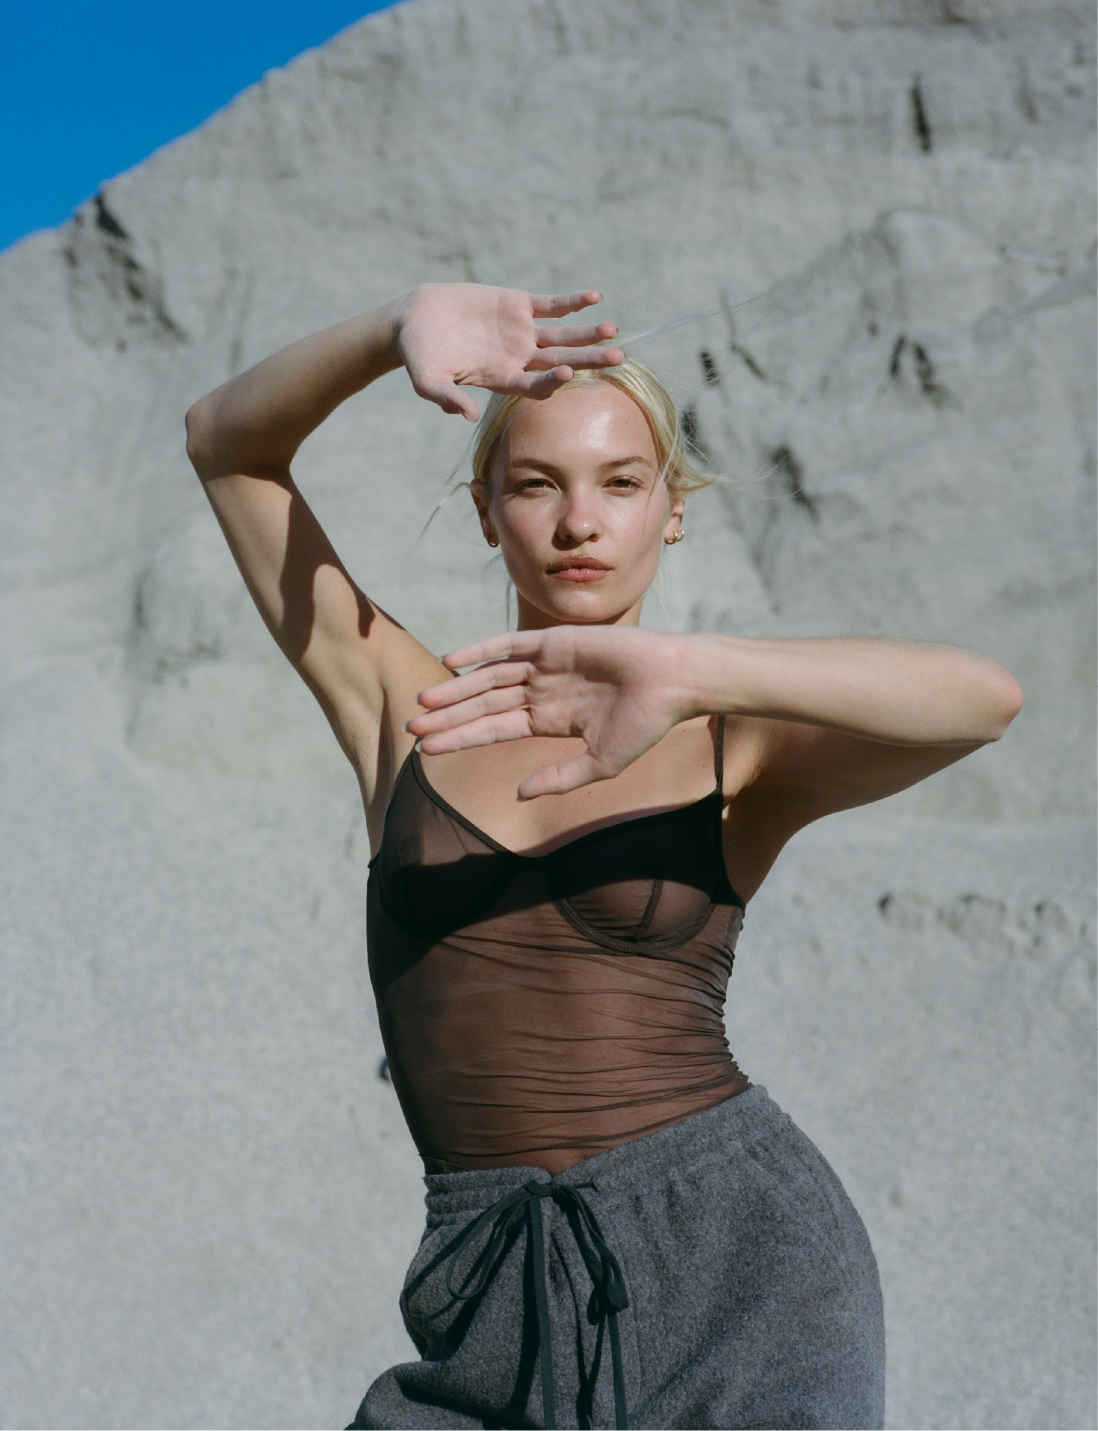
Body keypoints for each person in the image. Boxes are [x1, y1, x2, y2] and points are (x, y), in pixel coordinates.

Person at [185, 283, 1022, 1431]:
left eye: (622, 483)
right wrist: (389, 330)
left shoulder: (734, 742)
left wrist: (695, 670)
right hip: (491, 1283)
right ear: (487, 511)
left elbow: (983, 701)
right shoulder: (408, 712)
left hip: (742, 1267)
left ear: (672, 511)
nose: (581, 521)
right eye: (537, 483)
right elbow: (225, 447)